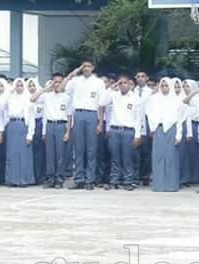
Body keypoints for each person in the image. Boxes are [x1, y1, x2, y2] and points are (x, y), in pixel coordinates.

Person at [61, 60, 106, 190]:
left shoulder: (98, 82)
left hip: (92, 114)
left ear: (93, 68)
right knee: (79, 149)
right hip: (78, 114)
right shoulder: (76, 81)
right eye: (84, 66)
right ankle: (79, 179)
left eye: (89, 66)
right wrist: (72, 73)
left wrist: (100, 123)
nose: (86, 68)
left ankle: (90, 180)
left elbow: (101, 103)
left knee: (91, 149)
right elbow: (62, 88)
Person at [99, 75, 142, 191]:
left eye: (125, 83)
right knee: (114, 158)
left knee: (127, 158)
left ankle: (128, 181)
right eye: (120, 83)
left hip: (128, 131)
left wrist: (137, 135)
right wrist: (112, 87)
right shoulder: (114, 95)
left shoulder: (135, 98)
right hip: (115, 130)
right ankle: (114, 181)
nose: (122, 85)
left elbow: (138, 119)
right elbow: (102, 102)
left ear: (129, 84)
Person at [30, 73, 71, 189]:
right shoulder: (47, 96)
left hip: (61, 125)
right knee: (50, 154)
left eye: (59, 82)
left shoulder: (67, 97)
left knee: (60, 154)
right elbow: (32, 98)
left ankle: (59, 179)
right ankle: (50, 178)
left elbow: (69, 116)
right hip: (49, 125)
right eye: (55, 82)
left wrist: (68, 132)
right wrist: (46, 88)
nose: (57, 84)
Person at [145, 78, 184, 192]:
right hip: (158, 129)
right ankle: (159, 185)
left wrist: (179, 135)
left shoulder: (176, 100)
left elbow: (180, 119)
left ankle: (171, 185)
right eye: (162, 85)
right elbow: (147, 108)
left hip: (172, 129)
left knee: (171, 157)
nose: (164, 88)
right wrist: (153, 128)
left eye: (166, 85)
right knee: (158, 157)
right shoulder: (155, 99)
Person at [3, 78, 35, 187]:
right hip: (12, 126)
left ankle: (24, 179)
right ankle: (12, 179)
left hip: (23, 126)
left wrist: (30, 134)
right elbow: (2, 108)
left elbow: (31, 119)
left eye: (21, 85)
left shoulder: (28, 99)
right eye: (17, 85)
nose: (19, 87)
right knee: (12, 154)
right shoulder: (10, 98)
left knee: (24, 154)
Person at [133, 71, 154, 187]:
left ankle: (146, 175)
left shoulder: (151, 92)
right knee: (135, 151)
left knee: (146, 151)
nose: (140, 78)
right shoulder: (133, 91)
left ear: (147, 78)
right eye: (138, 76)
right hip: (135, 121)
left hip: (146, 121)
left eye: (142, 76)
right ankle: (135, 176)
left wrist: (152, 127)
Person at [180, 79, 199, 187]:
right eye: (183, 86)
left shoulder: (197, 99)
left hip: (195, 126)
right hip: (185, 126)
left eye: (187, 86)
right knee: (185, 153)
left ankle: (195, 177)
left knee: (194, 153)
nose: (185, 88)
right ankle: (185, 177)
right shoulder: (181, 97)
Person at [27, 78, 46, 185]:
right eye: (29, 86)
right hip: (27, 125)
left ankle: (39, 176)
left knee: (39, 153)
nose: (31, 88)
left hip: (39, 124)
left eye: (33, 85)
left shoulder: (42, 97)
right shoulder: (25, 97)